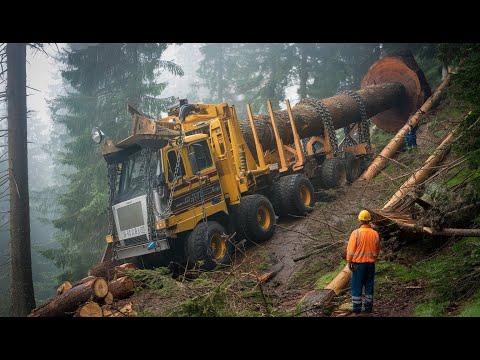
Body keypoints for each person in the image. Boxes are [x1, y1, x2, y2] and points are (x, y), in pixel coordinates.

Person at [346, 210, 380, 314]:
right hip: (370, 265)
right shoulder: (375, 233)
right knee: (369, 285)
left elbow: (350, 250)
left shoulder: (356, 233)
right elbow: (377, 249)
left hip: (358, 265)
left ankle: (357, 309)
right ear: (370, 220)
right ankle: (368, 308)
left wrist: (349, 261)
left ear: (359, 220)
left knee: (357, 286)